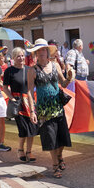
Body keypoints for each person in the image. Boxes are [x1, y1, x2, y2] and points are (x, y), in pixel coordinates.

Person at [27, 39, 73, 178]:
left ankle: (59, 156)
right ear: (35, 53)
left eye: (43, 50)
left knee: (62, 138)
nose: (41, 52)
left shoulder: (55, 66)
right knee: (51, 139)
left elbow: (63, 84)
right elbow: (29, 91)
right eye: (39, 50)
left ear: (47, 52)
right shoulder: (32, 70)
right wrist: (32, 111)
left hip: (58, 107)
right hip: (44, 111)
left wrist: (69, 77)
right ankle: (55, 166)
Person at [3, 47, 38, 162]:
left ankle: (29, 151)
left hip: (29, 102)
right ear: (13, 58)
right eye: (18, 56)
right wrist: (12, 98)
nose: (21, 58)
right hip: (18, 102)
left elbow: (33, 86)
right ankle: (20, 150)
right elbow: (5, 88)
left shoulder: (29, 69)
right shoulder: (9, 71)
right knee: (23, 128)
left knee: (32, 127)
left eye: (22, 55)